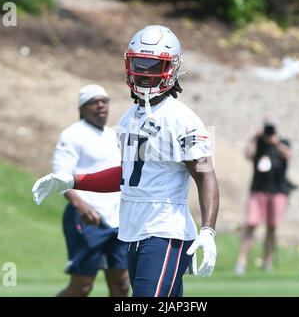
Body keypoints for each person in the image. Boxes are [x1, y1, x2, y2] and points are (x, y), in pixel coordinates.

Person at [32, 25, 219, 297]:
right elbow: (128, 175)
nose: (143, 73)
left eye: (153, 65)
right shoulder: (128, 118)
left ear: (172, 68)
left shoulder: (182, 119)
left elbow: (205, 174)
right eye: (138, 64)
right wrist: (73, 180)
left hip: (165, 231)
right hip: (132, 231)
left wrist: (208, 230)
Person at [53, 84, 129, 297]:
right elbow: (61, 177)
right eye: (93, 102)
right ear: (82, 108)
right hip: (87, 219)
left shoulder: (114, 135)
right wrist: (81, 206)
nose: (100, 105)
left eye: (104, 100)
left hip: (118, 220)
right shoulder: (72, 135)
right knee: (82, 286)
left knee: (122, 283)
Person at [235, 117, 293, 275]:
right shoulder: (258, 143)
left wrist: (275, 142)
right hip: (258, 190)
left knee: (272, 227)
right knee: (251, 224)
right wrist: (254, 137)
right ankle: (241, 262)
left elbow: (289, 155)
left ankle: (267, 262)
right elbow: (247, 154)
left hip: (278, 191)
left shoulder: (283, 142)